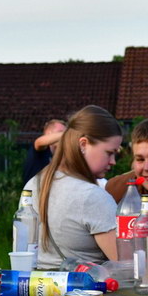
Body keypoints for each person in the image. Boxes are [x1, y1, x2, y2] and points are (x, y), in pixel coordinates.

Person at [24, 105, 122, 268]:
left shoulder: (33, 184)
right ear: (83, 144)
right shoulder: (92, 196)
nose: (113, 162)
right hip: (85, 284)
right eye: (109, 153)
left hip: (34, 282)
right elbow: (128, 266)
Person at [22, 118, 66, 184]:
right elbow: (39, 142)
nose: (64, 137)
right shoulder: (41, 149)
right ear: (48, 134)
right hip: (33, 190)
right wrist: (69, 133)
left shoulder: (60, 156)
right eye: (60, 132)